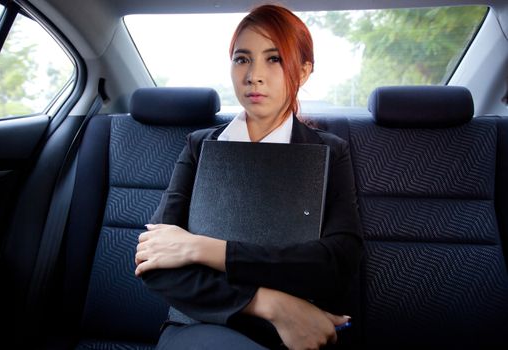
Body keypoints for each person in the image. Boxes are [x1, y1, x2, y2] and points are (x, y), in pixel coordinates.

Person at [134, 4, 363, 349]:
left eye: (274, 59)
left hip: (303, 333)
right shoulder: (200, 145)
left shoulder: (331, 151)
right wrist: (270, 304)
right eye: (242, 59)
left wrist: (202, 248)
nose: (253, 75)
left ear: (303, 71)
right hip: (202, 325)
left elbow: (337, 260)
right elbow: (155, 260)